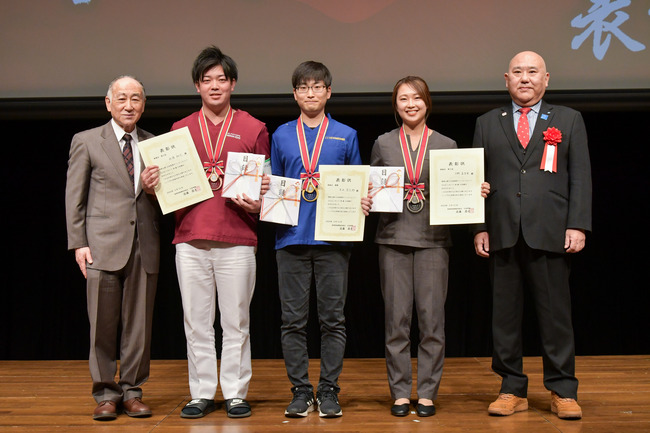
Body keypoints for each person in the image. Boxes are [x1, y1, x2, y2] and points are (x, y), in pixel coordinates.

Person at [141, 46, 270, 419]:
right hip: (191, 238)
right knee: (196, 322)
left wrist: (259, 204)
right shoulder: (179, 131)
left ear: (233, 84)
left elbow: (265, 186)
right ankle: (200, 392)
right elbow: (163, 186)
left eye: (221, 79)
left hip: (238, 239)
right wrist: (151, 185)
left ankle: (234, 392)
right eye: (206, 80)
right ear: (197, 86)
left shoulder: (253, 127)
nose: (215, 86)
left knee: (236, 321)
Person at [473, 51, 592, 420]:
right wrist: (480, 226)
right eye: (518, 72)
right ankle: (511, 389)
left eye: (533, 72)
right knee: (504, 317)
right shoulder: (487, 122)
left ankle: (563, 390)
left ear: (546, 78)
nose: (525, 78)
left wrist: (577, 223)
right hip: (502, 231)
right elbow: (475, 179)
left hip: (551, 231)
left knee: (556, 316)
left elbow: (580, 177)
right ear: (506, 78)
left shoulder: (569, 120)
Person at [370, 76, 489, 417]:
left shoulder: (447, 145)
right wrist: (366, 198)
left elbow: (457, 189)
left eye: (416, 98)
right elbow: (375, 189)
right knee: (397, 321)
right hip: (392, 240)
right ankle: (398, 393)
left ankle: (426, 393)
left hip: (434, 241)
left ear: (427, 102)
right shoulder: (383, 143)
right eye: (403, 98)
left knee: (432, 320)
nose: (410, 104)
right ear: (396, 105)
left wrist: (473, 191)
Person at [270, 61, 369, 418]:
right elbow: (275, 187)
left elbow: (357, 182)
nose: (310, 93)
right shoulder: (281, 135)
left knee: (333, 320)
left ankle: (328, 389)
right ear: (295, 93)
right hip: (291, 240)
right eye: (303, 87)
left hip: (333, 241)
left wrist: (363, 199)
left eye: (317, 87)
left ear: (328, 91)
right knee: (292, 321)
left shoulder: (347, 134)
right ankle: (299, 390)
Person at [65, 75, 159, 421]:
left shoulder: (153, 144)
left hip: (143, 245)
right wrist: (79, 243)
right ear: (108, 103)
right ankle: (105, 393)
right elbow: (74, 197)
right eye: (121, 99)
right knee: (102, 325)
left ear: (143, 105)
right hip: (102, 247)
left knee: (139, 326)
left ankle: (133, 391)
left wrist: (153, 190)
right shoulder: (87, 141)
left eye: (135, 99)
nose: (128, 105)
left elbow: (166, 201)